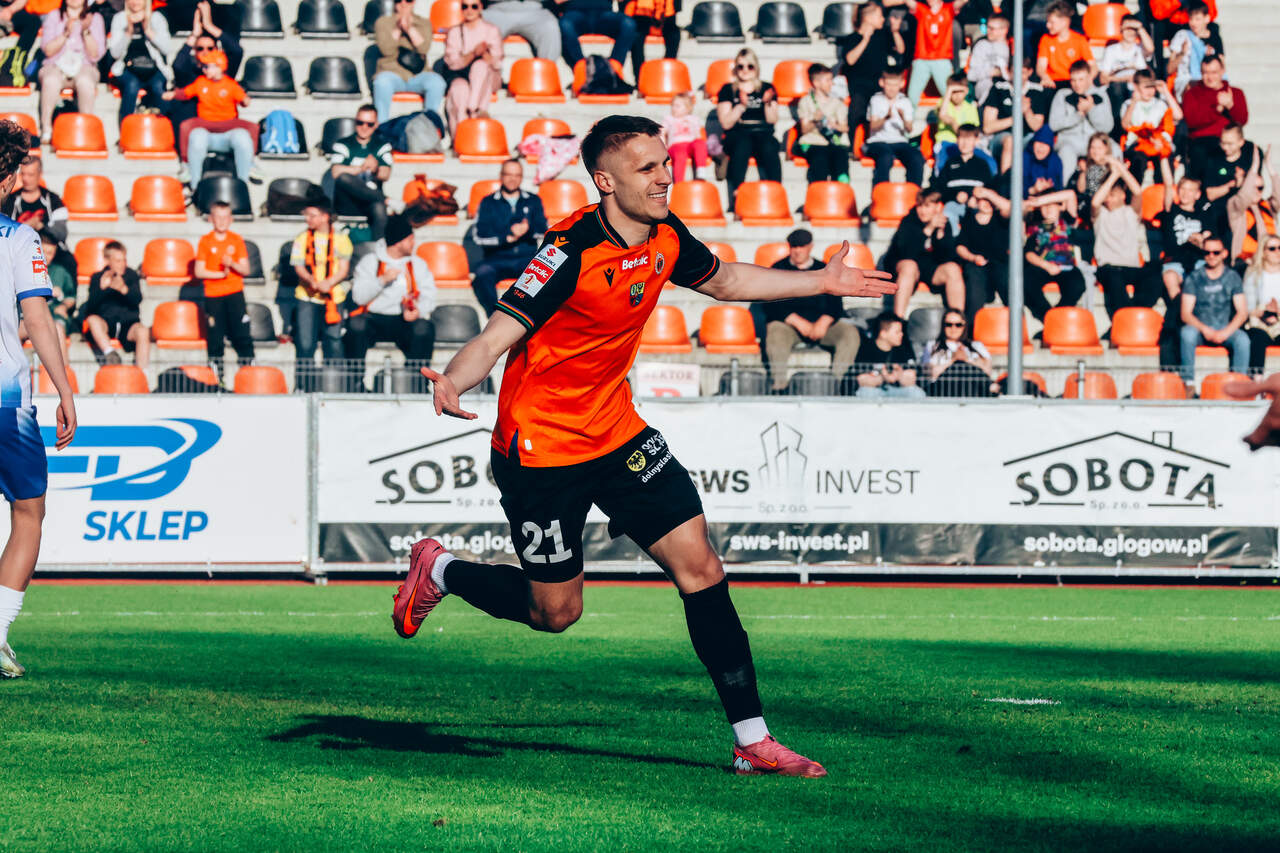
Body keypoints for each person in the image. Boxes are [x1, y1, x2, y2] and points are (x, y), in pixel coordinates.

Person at [403, 114, 895, 776]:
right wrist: (455, 378)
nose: (666, 176)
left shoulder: (665, 234)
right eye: (648, 168)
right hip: (542, 448)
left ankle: (752, 740)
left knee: (702, 569)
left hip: (618, 433)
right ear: (605, 181)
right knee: (556, 613)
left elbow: (726, 281)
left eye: (666, 163)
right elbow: (497, 334)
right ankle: (440, 569)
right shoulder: (567, 250)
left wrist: (820, 283)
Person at [0, 120, 76, 679]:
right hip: (6, 401)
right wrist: (65, 390)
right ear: (9, 179)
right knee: (29, 513)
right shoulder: (20, 238)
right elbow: (39, 318)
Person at [761, 229, 860, 392]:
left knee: (849, 333)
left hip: (822, 326)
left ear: (810, 246)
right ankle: (779, 388)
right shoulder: (778, 268)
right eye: (794, 246)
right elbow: (770, 303)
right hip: (789, 326)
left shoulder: (823, 269)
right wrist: (797, 322)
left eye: (802, 246)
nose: (797, 250)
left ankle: (837, 387)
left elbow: (836, 304)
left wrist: (824, 322)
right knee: (775, 332)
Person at [347, 213, 436, 378]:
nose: (414, 243)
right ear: (398, 242)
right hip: (373, 318)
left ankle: (417, 381)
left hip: (403, 320)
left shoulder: (418, 264)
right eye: (410, 239)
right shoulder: (370, 261)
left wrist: (418, 311)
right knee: (355, 326)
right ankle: (355, 382)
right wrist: (381, 281)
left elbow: (429, 296)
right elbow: (359, 297)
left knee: (424, 328)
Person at [161, 49, 262, 187]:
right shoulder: (201, 82)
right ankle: (186, 164)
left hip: (228, 123)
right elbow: (186, 93)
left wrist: (245, 100)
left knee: (253, 128)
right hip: (205, 122)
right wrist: (173, 94)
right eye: (203, 66)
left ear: (219, 67)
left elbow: (243, 100)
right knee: (185, 126)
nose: (204, 70)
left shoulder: (230, 84)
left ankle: (250, 163)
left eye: (207, 66)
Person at [290, 196, 353, 390]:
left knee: (333, 342)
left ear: (325, 216)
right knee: (305, 344)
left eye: (312, 215)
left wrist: (328, 283)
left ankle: (334, 387)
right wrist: (311, 281)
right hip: (307, 297)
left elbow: (343, 269)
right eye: (306, 214)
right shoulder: (302, 238)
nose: (308, 219)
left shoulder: (341, 239)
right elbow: (298, 266)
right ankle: (304, 386)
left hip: (333, 298)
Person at [471, 160, 547, 315]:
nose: (513, 179)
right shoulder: (488, 202)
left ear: (522, 177)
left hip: (526, 258)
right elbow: (479, 235)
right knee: (482, 274)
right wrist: (506, 237)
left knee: (547, 275)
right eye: (508, 174)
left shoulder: (533, 200)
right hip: (496, 259)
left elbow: (544, 230)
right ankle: (495, 316)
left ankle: (531, 319)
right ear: (501, 175)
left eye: (517, 175)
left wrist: (527, 230)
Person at [1092, 156, 1161, 316]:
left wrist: (1121, 169)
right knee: (1114, 279)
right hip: (1109, 268)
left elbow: (1137, 191)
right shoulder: (1101, 215)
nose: (1108, 199)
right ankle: (1126, 316)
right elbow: (1095, 202)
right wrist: (1114, 175)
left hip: (1132, 267)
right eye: (1106, 195)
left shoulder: (1131, 212)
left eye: (1112, 195)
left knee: (1154, 277)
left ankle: (1134, 311)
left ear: (1123, 195)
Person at [1179, 235, 1249, 389]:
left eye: (1216, 252)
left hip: (1225, 328)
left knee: (1243, 340)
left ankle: (1240, 385)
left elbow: (1242, 312)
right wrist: (1205, 330)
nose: (1211, 256)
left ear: (1224, 253)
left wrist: (1225, 332)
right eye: (1207, 252)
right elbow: (1186, 313)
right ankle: (1188, 383)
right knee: (1187, 334)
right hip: (1200, 329)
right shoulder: (1194, 277)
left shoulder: (1233, 277)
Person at [194, 201, 254, 379]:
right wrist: (220, 274)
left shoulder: (236, 240)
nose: (221, 221)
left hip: (235, 294)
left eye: (225, 217)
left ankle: (249, 374)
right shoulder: (205, 241)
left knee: (242, 335)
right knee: (215, 337)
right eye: (217, 217)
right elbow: (199, 271)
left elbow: (246, 269)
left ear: (231, 219)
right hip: (213, 295)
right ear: (211, 219)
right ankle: (216, 378)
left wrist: (232, 263)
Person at [716, 48, 781, 210]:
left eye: (750, 66)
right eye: (740, 66)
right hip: (737, 132)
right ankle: (737, 196)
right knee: (742, 144)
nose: (745, 70)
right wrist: (741, 106)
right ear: (736, 69)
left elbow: (772, 119)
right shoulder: (728, 90)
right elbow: (726, 123)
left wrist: (767, 103)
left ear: (756, 68)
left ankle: (776, 194)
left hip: (762, 132)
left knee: (769, 146)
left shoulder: (767, 88)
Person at [883, 189, 964, 318]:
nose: (922, 210)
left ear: (938, 207)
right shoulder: (908, 221)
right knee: (910, 266)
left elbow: (948, 258)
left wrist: (941, 236)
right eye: (919, 206)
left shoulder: (944, 223)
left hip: (928, 268)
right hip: (904, 267)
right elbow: (906, 253)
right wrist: (928, 229)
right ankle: (897, 320)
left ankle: (957, 321)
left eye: (927, 206)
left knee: (953, 269)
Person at [36, 0, 104, 143]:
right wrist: (66, 33)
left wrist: (86, 31)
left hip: (85, 65)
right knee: (51, 81)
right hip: (55, 64)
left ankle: (86, 129)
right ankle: (46, 129)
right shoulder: (54, 16)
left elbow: (95, 55)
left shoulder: (95, 18)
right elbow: (48, 51)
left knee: (85, 82)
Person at [837, 0, 907, 137]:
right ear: (868, 18)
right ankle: (855, 143)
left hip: (879, 85)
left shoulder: (882, 35)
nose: (883, 19)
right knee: (857, 109)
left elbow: (900, 50)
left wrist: (895, 32)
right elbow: (850, 60)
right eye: (880, 16)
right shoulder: (852, 38)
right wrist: (865, 39)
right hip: (859, 87)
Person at [883, 0, 970, 108]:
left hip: (941, 59)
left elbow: (961, 2)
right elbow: (908, 1)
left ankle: (952, 118)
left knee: (949, 95)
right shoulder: (922, 10)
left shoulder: (947, 9)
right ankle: (909, 118)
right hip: (922, 59)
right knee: (912, 96)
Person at [372, 0, 445, 125]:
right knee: (381, 83)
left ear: (413, 2)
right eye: (399, 0)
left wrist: (409, 29)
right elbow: (386, 50)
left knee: (437, 83)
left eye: (408, 0)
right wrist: (398, 28)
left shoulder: (424, 23)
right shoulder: (383, 22)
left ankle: (429, 126)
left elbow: (424, 48)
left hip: (418, 75)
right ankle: (382, 128)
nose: (403, 3)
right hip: (392, 73)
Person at [81, 240, 150, 369]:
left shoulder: (131, 275)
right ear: (107, 261)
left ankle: (142, 373)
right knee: (92, 320)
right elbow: (91, 307)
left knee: (143, 331)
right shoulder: (97, 277)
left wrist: (124, 289)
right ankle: (111, 354)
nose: (122, 264)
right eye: (118, 261)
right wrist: (102, 289)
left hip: (128, 325)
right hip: (107, 324)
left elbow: (137, 299)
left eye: (124, 260)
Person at [328, 105, 392, 241]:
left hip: (370, 202)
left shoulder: (382, 146)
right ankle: (385, 199)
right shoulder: (343, 144)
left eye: (369, 124)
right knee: (344, 178)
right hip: (347, 202)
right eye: (360, 123)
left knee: (379, 209)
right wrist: (361, 168)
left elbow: (386, 174)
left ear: (376, 125)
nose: (364, 127)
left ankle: (378, 248)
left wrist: (375, 169)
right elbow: (336, 172)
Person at [108, 0, 174, 126]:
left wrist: (148, 30)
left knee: (158, 87)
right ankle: (125, 129)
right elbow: (115, 53)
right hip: (127, 68)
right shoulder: (120, 18)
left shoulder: (157, 18)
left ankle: (168, 127)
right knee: (132, 85)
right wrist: (128, 32)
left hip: (154, 67)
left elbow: (167, 49)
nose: (135, 2)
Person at [441, 0, 503, 134]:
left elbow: (497, 63)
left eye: (474, 6)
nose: (469, 10)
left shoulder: (491, 30)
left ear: (480, 8)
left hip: (487, 76)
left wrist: (485, 55)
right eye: (465, 6)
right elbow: (452, 63)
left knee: (480, 66)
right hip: (461, 74)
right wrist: (473, 54)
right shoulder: (455, 32)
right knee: (459, 90)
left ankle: (474, 109)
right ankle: (460, 136)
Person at [1023, 191, 1086, 320]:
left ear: (1060, 207)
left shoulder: (1067, 221)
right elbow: (1029, 254)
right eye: (1044, 206)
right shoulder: (1035, 228)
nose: (1047, 209)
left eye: (1051, 205)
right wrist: (1047, 266)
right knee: (1027, 282)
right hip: (1043, 267)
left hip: (1067, 268)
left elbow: (1070, 194)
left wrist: (1040, 200)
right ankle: (1048, 318)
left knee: (1077, 285)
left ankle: (1056, 317)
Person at [1049, 60, 1113, 185]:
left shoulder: (1100, 95)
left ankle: (1107, 192)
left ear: (1089, 78)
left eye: (1081, 79)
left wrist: (1091, 110)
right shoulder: (1062, 95)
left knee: (1113, 150)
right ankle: (1064, 190)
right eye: (1073, 80)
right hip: (1069, 142)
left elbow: (1107, 127)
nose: (1077, 84)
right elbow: (1054, 124)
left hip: (1094, 143)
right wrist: (1077, 116)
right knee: (1067, 153)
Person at [982, 53, 1049, 173]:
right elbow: (988, 127)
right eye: (1015, 72)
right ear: (1008, 71)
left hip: (1027, 138)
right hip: (1001, 138)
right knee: (1010, 141)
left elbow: (1037, 127)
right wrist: (1016, 116)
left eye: (1022, 73)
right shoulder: (998, 89)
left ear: (1030, 72)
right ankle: (1006, 180)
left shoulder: (1037, 91)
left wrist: (1027, 111)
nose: (1018, 77)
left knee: (1041, 143)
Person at [1182, 55, 1247, 177]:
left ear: (1222, 71)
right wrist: (1217, 110)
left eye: (1214, 72)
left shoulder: (1235, 93)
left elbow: (1242, 121)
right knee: (1201, 152)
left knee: (1251, 150)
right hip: (1202, 140)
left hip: (1229, 140)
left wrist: (1230, 106)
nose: (1210, 77)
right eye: (1206, 73)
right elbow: (1191, 121)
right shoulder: (1192, 94)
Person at [955, 185, 1011, 320]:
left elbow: (1008, 208)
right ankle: (971, 327)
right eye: (983, 200)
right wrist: (973, 258)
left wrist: (987, 193)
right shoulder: (969, 220)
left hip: (999, 264)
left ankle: (1018, 324)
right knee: (974, 287)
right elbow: (960, 247)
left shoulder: (1001, 219)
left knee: (1007, 283)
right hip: (976, 265)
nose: (987, 203)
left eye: (990, 200)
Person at [864, 67, 923, 187]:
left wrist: (903, 118)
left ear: (901, 84)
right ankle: (881, 191)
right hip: (878, 141)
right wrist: (886, 117)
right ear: (882, 83)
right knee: (885, 157)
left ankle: (914, 192)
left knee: (917, 158)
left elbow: (909, 129)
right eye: (889, 84)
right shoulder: (876, 100)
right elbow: (873, 126)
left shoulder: (905, 102)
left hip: (899, 142)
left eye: (895, 85)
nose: (892, 88)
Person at [794, 64, 850, 184]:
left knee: (840, 156)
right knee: (820, 158)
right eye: (828, 80)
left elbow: (845, 127)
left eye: (831, 80)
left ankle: (842, 187)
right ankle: (818, 189)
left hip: (833, 142)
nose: (831, 83)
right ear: (816, 83)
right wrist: (815, 120)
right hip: (812, 142)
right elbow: (804, 129)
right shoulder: (805, 102)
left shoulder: (837, 103)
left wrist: (834, 125)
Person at [1121, 70, 1180, 183]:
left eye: (1152, 87)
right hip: (1138, 144)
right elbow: (1125, 125)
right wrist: (1134, 102)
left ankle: (1164, 189)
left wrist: (1166, 92)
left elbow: (1178, 116)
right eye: (1146, 87)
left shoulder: (1160, 104)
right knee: (1139, 160)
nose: (1149, 91)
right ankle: (1134, 190)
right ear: (1136, 86)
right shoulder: (1128, 104)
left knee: (1165, 157)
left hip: (1158, 143)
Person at [932, 124, 994, 230]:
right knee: (948, 213)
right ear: (957, 140)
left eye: (969, 139)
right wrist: (955, 196)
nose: (965, 143)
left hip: (976, 205)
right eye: (961, 138)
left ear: (976, 140)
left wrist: (977, 199)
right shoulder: (949, 163)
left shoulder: (982, 165)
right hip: (954, 204)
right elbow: (940, 187)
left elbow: (990, 187)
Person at [555, 0, 637, 80]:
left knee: (628, 24)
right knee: (564, 25)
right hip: (575, 13)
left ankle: (613, 70)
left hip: (604, 13)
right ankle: (583, 71)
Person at [921, 308, 994, 397]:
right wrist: (953, 360)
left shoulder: (977, 346)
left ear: (964, 326)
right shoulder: (932, 346)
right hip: (944, 387)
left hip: (972, 387)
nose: (953, 328)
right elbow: (930, 373)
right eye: (949, 325)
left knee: (965, 368)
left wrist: (967, 360)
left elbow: (987, 371)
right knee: (958, 367)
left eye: (958, 325)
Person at [1097, 13, 1152, 130]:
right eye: (1128, 28)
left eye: (1133, 29)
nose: (1131, 32)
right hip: (1118, 89)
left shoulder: (1140, 49)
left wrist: (1140, 28)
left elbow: (1151, 48)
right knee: (1117, 89)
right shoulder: (1111, 50)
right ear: (1121, 29)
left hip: (1138, 87)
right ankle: (1118, 129)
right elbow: (1103, 79)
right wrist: (1124, 78)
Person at [1, 156, 68, 248]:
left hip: (48, 250)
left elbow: (61, 233)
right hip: (19, 249)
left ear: (40, 174)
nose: (25, 178)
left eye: (30, 174)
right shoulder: (9, 200)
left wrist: (41, 226)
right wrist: (27, 225)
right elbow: (3, 232)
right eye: (23, 174)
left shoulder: (53, 200)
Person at [853, 311, 923, 398]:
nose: (901, 334)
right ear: (883, 334)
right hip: (876, 391)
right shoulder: (867, 349)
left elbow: (912, 378)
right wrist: (883, 378)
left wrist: (898, 375)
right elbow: (861, 380)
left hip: (898, 390)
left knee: (916, 393)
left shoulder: (903, 349)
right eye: (897, 332)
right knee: (865, 392)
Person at [1166, 0, 1221, 98]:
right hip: (1186, 80)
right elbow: (1169, 69)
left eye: (1197, 19)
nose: (1193, 23)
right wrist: (1182, 53)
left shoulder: (1214, 38)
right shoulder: (1182, 36)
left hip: (1208, 79)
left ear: (1207, 18)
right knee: (1194, 89)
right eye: (1191, 19)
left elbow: (1222, 66)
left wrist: (1210, 59)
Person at [1243, 235, 1280, 375]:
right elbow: (1248, 308)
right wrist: (1265, 311)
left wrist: (1277, 311)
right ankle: (1257, 381)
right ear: (1263, 252)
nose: (1277, 252)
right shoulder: (1253, 274)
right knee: (1258, 339)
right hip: (1259, 322)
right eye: (1272, 248)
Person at [1036, 1, 1094, 89]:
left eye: (1052, 22)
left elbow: (1092, 65)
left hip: (1073, 82)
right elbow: (1041, 66)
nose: (1048, 25)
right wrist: (1045, 77)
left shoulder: (1079, 40)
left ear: (1064, 22)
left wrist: (1089, 79)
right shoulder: (1046, 39)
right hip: (1053, 83)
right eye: (1047, 22)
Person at [478, 0, 560, 61]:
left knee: (550, 26)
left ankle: (546, 73)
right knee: (479, 28)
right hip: (496, 9)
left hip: (535, 10)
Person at [660, 92, 709, 183]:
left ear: (687, 108)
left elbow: (697, 134)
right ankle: (679, 183)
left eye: (677, 106)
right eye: (673, 105)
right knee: (680, 154)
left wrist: (698, 145)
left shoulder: (693, 119)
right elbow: (662, 132)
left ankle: (701, 171)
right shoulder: (669, 119)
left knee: (700, 143)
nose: (674, 108)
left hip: (690, 144)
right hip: (676, 146)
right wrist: (663, 147)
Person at [628, 0, 680, 81]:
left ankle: (666, 75)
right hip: (641, 15)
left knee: (674, 34)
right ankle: (640, 79)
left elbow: (671, 13)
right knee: (637, 36)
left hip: (664, 16)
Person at [967, 13, 1009, 106]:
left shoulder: (1012, 46)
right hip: (986, 87)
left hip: (1007, 86)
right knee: (990, 87)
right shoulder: (981, 45)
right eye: (988, 27)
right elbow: (971, 75)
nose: (988, 31)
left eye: (992, 28)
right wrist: (991, 72)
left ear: (1004, 30)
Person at [39, 230, 76, 336]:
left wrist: (64, 306)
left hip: (54, 315)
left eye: (50, 253)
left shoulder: (60, 272)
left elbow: (71, 297)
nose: (45, 256)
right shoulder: (23, 271)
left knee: (57, 328)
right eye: (42, 252)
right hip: (28, 316)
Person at [934, 72, 978, 148]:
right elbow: (942, 115)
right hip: (945, 143)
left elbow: (973, 131)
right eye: (953, 92)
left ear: (966, 91)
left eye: (960, 91)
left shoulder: (970, 108)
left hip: (965, 145)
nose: (957, 95)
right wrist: (949, 90)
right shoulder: (943, 103)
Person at [1023, 126, 1063, 197]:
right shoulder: (1024, 158)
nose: (1041, 147)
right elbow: (1012, 191)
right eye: (1038, 142)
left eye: (1045, 144)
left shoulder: (1055, 162)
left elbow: (1058, 189)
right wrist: (1033, 190)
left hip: (1047, 200)